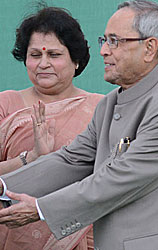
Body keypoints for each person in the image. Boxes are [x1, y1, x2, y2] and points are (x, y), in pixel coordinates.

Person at [0, 0, 158, 249]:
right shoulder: (110, 104)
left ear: (149, 48)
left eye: (115, 41)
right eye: (104, 40)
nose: (104, 50)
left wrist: (41, 208)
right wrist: (5, 186)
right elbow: (72, 160)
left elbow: (120, 177)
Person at [0, 6, 103, 250]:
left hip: (79, 235)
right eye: (35, 55)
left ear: (76, 60)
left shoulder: (101, 108)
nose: (43, 64)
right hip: (12, 234)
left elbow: (112, 178)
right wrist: (31, 158)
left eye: (54, 55)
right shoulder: (6, 104)